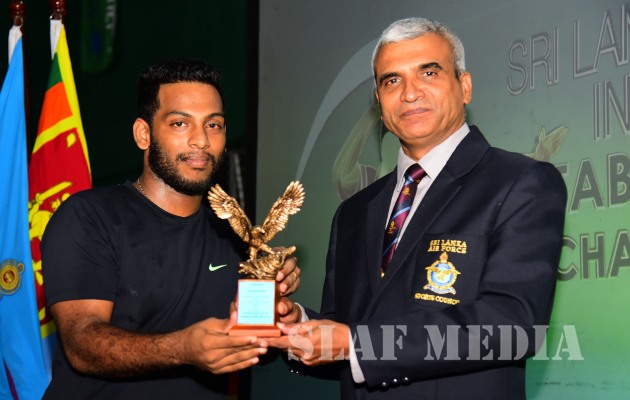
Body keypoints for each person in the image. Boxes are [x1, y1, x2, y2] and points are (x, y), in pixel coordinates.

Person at [268, 17, 567, 400]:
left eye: (429, 72)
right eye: (391, 80)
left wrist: (356, 344)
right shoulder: (354, 212)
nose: (409, 93)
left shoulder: (520, 182)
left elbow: (512, 327)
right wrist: (297, 323)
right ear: (379, 103)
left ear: (465, 87)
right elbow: (346, 330)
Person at [41, 58, 301, 399]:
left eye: (214, 125)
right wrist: (182, 348)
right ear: (143, 134)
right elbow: (82, 344)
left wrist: (277, 315)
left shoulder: (235, 238)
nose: (201, 140)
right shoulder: (89, 216)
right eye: (180, 123)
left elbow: (252, 349)